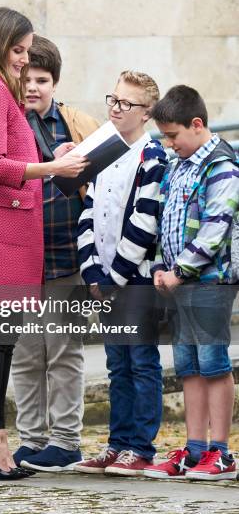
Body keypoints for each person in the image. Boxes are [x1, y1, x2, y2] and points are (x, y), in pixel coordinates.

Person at [0, 7, 88, 480]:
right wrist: (54, 171)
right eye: (19, 50)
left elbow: (15, 154)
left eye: (28, 52)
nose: (25, 62)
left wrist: (56, 156)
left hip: (7, 230)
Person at [12, 35, 100, 472]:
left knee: (64, 350)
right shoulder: (5, 122)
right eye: (26, 78)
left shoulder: (76, 123)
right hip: (19, 260)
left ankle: (66, 440)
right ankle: (31, 438)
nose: (32, 87)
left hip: (67, 255)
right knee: (26, 353)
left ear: (55, 82)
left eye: (41, 79)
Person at [144, 85, 239, 481]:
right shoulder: (178, 163)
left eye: (172, 135)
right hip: (178, 283)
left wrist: (180, 270)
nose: (168, 143)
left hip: (210, 282)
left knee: (213, 363)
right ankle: (194, 447)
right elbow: (166, 221)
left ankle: (222, 451)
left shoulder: (221, 165)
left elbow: (216, 228)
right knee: (188, 366)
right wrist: (161, 267)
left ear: (196, 124)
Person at [75, 71, 167, 476]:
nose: (115, 107)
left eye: (126, 103)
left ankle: (141, 447)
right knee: (117, 365)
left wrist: (116, 277)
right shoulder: (103, 152)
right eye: (113, 98)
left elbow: (145, 222)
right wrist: (93, 271)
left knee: (142, 363)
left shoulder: (154, 159)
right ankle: (118, 442)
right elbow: (88, 212)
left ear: (146, 112)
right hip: (106, 281)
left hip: (138, 280)